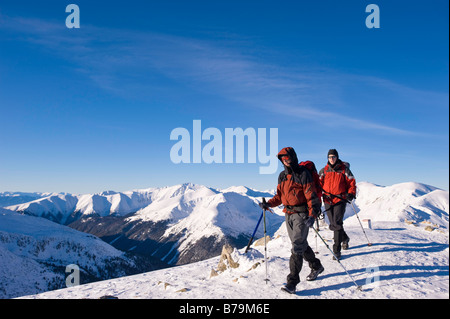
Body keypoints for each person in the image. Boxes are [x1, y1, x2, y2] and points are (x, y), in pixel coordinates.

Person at [260, 147, 324, 294]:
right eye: (283, 159)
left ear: (293, 157)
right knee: (301, 244)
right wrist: (268, 204)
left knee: (297, 247)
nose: (285, 161)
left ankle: (292, 283)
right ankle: (316, 266)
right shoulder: (282, 176)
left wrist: (312, 215)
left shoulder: (303, 174)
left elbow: (311, 195)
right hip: (288, 214)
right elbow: (279, 197)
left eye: (287, 158)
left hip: (302, 214)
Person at [319, 149, 356, 260]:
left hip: (340, 199)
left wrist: (351, 193)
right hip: (327, 200)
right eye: (330, 157)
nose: (332, 159)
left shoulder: (344, 170)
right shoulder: (324, 171)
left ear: (337, 157)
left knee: (337, 223)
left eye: (333, 157)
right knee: (333, 224)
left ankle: (336, 250)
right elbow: (318, 184)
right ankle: (345, 238)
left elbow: (352, 182)